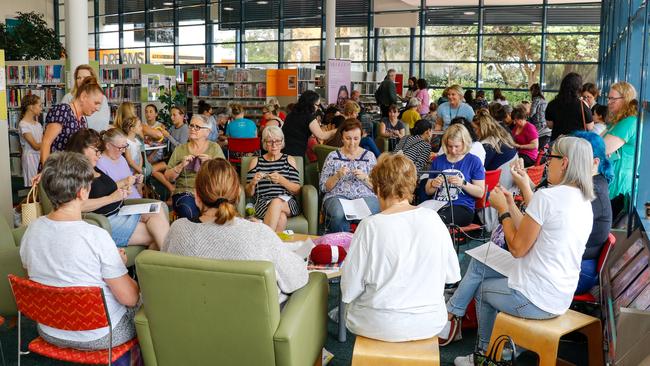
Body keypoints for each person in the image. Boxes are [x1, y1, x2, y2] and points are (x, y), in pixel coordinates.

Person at [447, 137, 594, 365]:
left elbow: (517, 248)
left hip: (537, 298)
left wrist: (503, 211)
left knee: (482, 292)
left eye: (550, 158)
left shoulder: (548, 196)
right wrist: (512, 206)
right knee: (481, 266)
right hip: (560, 294)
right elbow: (531, 231)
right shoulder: (585, 202)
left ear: (564, 162)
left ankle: (486, 356)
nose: (546, 163)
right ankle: (455, 315)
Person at [20, 151, 140, 351]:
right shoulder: (96, 236)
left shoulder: (31, 231)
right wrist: (120, 266)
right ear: (82, 192)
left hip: (49, 329)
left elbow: (36, 281)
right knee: (146, 301)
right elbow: (130, 298)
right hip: (100, 333)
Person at [341, 154, 461, 342]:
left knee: (345, 307)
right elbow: (452, 276)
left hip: (379, 324)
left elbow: (349, 288)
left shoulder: (369, 226)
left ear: (378, 188)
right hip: (429, 322)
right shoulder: (433, 219)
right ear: (412, 185)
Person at [164, 158, 308, 304]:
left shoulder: (177, 230)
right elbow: (296, 278)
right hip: (254, 323)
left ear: (197, 197)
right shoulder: (259, 233)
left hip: (189, 322)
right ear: (238, 195)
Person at [66, 129, 170, 250]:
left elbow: (106, 188)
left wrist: (124, 187)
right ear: (82, 149)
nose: (99, 155)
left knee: (158, 212)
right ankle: (172, 263)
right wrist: (111, 198)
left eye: (100, 151)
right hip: (105, 221)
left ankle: (164, 264)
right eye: (96, 151)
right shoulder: (77, 173)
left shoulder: (93, 167)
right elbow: (78, 205)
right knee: (158, 235)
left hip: (120, 211)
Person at [320, 119, 380, 233]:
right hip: (337, 196)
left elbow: (378, 187)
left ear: (361, 137)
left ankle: (362, 245)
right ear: (342, 138)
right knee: (338, 214)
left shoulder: (369, 156)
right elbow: (323, 187)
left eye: (356, 138)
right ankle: (342, 245)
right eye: (348, 138)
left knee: (370, 212)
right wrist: (337, 176)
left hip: (365, 196)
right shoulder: (332, 156)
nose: (352, 143)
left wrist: (365, 178)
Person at [572, 131, 613, 294]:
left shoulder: (592, 191)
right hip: (579, 263)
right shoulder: (593, 183)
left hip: (581, 271)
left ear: (594, 161)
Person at [165, 115, 225, 220]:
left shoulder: (214, 148)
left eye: (197, 127)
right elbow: (168, 177)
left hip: (210, 192)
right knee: (188, 210)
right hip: (185, 192)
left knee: (222, 210)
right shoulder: (180, 149)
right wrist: (180, 166)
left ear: (207, 131)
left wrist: (211, 164)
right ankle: (196, 235)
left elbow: (225, 175)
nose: (193, 128)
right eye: (191, 125)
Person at [424, 124, 485, 227]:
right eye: (450, 146)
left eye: (457, 146)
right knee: (420, 218)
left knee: (437, 220)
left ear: (465, 143)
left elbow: (480, 192)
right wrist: (433, 184)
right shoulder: (438, 160)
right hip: (438, 205)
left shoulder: (473, 161)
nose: (453, 150)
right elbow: (428, 190)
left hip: (463, 207)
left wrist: (463, 183)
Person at [245, 126, 301, 232]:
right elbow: (248, 194)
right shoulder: (256, 162)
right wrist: (252, 183)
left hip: (287, 203)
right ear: (265, 143)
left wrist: (281, 180)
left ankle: (264, 233)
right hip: (262, 204)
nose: (274, 145)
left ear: (282, 142)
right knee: (281, 217)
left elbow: (297, 190)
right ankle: (276, 247)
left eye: (278, 141)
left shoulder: (289, 160)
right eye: (270, 142)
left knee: (276, 202)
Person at [41, 76, 103, 166]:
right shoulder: (63, 110)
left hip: (69, 173)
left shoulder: (82, 120)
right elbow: (46, 142)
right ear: (83, 97)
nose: (98, 108)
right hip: (54, 171)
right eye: (96, 103)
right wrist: (45, 171)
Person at [603, 81, 638, 221]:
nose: (609, 102)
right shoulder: (616, 122)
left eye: (613, 99)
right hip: (612, 181)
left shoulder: (629, 122)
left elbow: (601, 147)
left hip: (619, 185)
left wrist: (603, 149)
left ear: (626, 99)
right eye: (608, 98)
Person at [282, 90, 336, 157]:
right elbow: (322, 136)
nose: (318, 107)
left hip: (283, 150)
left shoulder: (291, 114)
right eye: (317, 105)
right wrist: (336, 130)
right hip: (296, 151)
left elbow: (298, 131)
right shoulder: (308, 117)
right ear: (311, 104)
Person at [60, 64, 111, 132]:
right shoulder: (68, 98)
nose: (81, 80)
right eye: (78, 78)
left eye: (85, 77)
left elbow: (105, 121)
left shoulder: (102, 98)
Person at [545, 72, 593, 142]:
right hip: (576, 143)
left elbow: (550, 125)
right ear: (579, 87)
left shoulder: (552, 104)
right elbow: (590, 127)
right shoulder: (582, 104)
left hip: (557, 142)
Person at [472, 110, 518, 181]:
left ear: (482, 129)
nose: (472, 132)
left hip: (501, 183)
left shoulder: (487, 145)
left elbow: (478, 170)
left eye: (474, 129)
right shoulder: (501, 134)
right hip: (513, 178)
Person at [96, 128, 143, 199]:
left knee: (161, 206)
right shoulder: (99, 163)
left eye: (126, 146)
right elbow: (104, 192)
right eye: (120, 147)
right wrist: (125, 182)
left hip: (133, 198)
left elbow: (128, 178)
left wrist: (136, 179)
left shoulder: (121, 158)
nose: (124, 151)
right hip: (121, 203)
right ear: (108, 145)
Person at [143, 104, 175, 194]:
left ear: (156, 114)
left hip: (157, 154)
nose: (148, 114)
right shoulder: (143, 126)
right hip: (146, 153)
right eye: (146, 112)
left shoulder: (160, 126)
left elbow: (162, 142)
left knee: (145, 167)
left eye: (151, 111)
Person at [18, 94, 43, 187]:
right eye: (39, 105)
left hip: (40, 157)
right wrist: (48, 141)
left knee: (41, 186)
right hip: (30, 158)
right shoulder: (23, 124)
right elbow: (35, 146)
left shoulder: (38, 124)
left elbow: (41, 142)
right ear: (31, 107)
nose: (41, 108)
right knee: (33, 187)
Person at [529, 83, 550, 149]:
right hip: (545, 126)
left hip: (538, 126)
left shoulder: (535, 100)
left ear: (533, 91)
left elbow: (532, 113)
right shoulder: (544, 100)